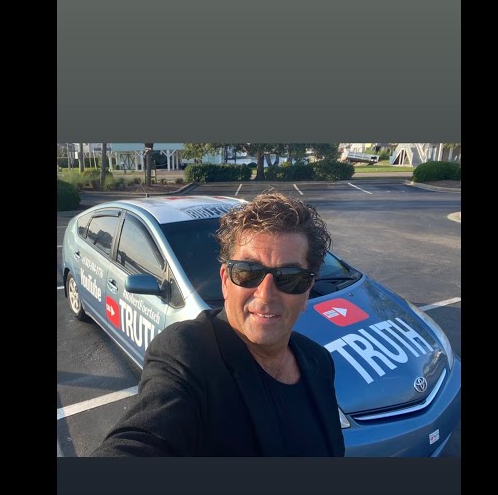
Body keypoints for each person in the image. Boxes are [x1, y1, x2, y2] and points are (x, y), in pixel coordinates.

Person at [91, 192, 345, 457]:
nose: (265, 295)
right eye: (248, 272)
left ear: (307, 289)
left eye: (289, 277)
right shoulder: (187, 352)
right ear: (225, 280)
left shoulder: (319, 361)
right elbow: (139, 441)